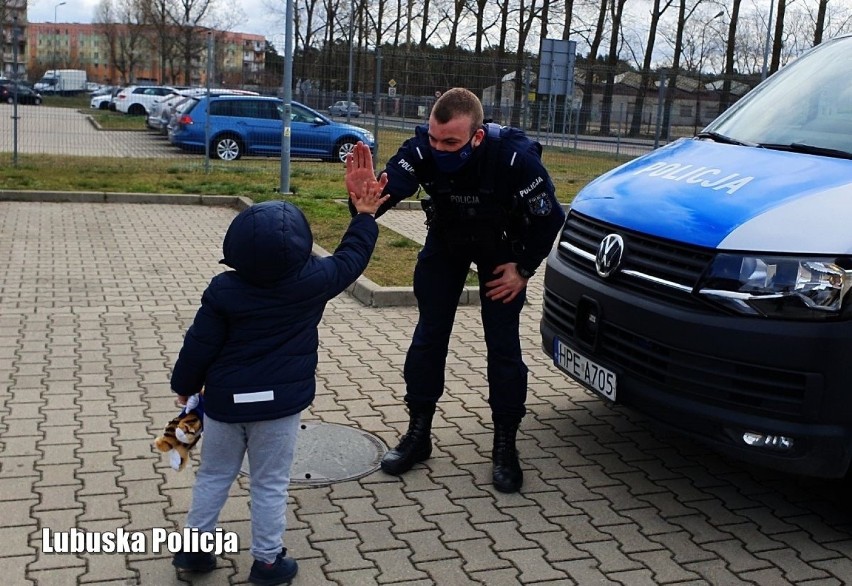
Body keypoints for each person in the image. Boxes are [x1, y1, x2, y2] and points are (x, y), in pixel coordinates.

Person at [169, 144, 388, 585]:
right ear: (302, 245)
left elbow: (199, 344)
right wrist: (364, 214)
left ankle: (193, 553)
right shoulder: (312, 281)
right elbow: (351, 258)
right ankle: (267, 563)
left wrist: (185, 384)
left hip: (226, 406)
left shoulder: (223, 290)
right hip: (279, 408)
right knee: (270, 484)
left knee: (214, 475)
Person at [345, 87, 565, 493]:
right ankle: (418, 433)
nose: (439, 148)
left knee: (503, 345)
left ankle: (505, 445)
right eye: (434, 138)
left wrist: (524, 269)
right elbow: (382, 198)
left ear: (476, 137)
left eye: (451, 142)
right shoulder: (422, 150)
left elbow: (549, 219)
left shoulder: (514, 159)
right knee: (429, 337)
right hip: (446, 243)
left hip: (502, 251)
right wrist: (361, 196)